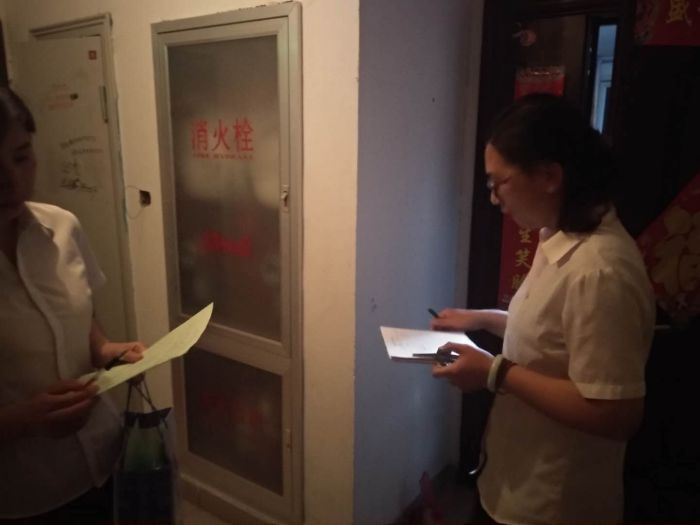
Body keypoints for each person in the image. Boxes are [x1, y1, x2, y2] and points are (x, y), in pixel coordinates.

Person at [432, 94, 655, 524]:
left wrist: (494, 372)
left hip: (555, 503)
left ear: (549, 176)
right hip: (513, 475)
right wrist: (479, 318)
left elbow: (616, 412)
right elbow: (552, 335)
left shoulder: (600, 269)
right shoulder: (557, 234)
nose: (494, 198)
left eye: (499, 182)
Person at [0, 87, 146, 523]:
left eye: (21, 157)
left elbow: (81, 319)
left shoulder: (62, 226)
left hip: (105, 459)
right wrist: (25, 420)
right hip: (28, 494)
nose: (10, 180)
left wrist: (106, 350)